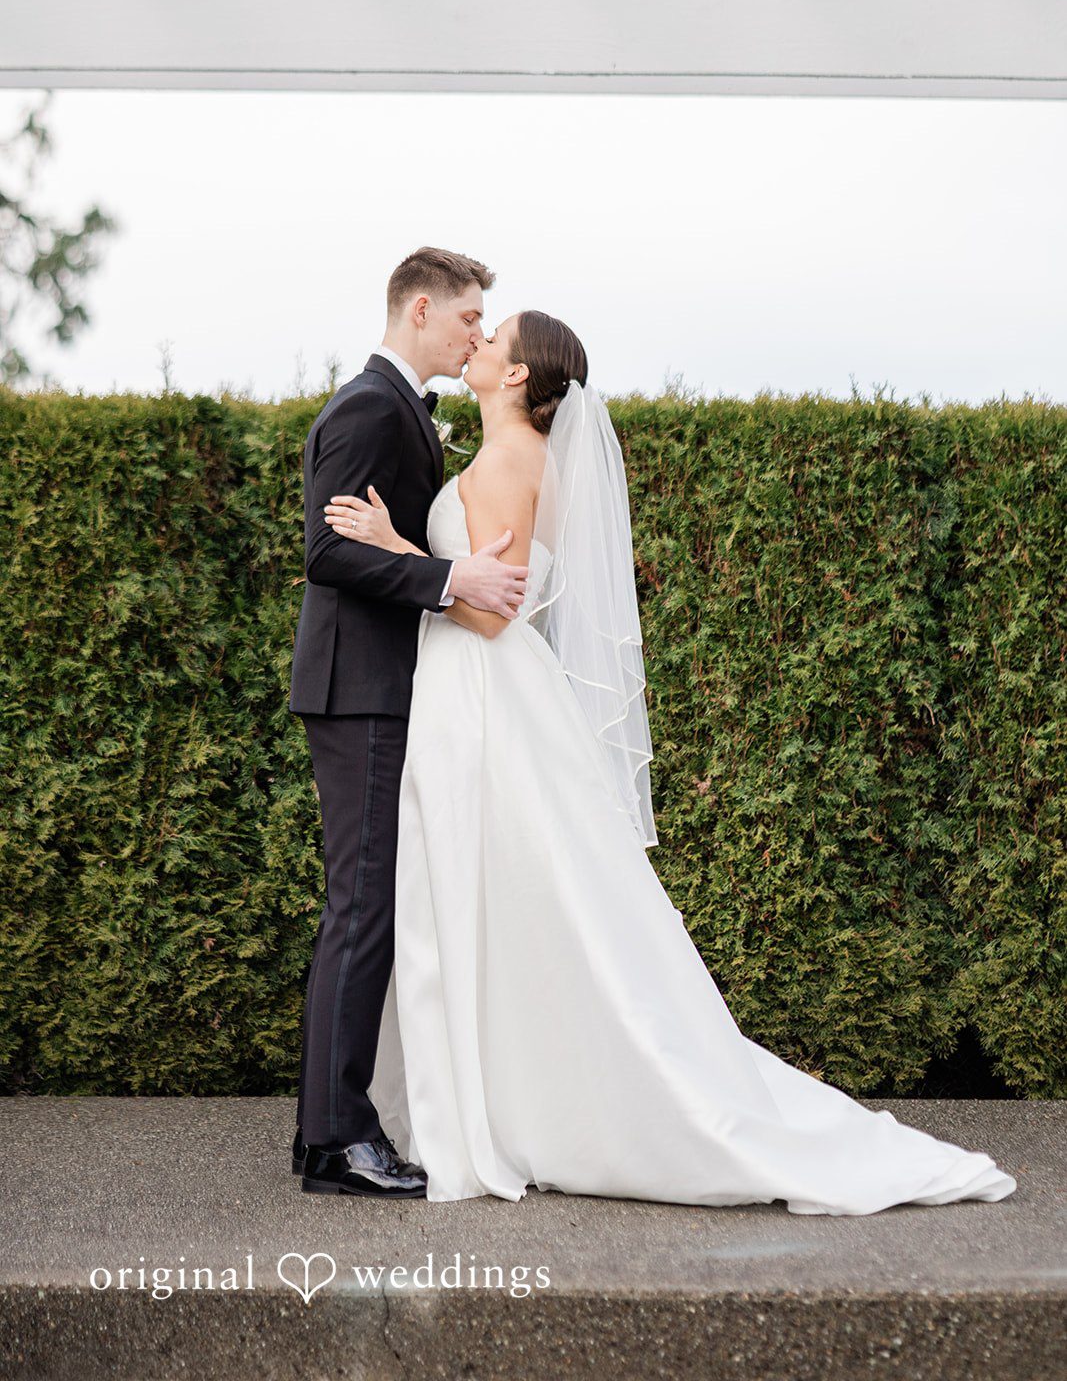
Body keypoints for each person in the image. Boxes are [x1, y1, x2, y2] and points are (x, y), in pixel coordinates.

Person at [319, 308, 1018, 1215]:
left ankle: (515, 1100)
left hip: (483, 695)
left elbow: (489, 613)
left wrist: (397, 550)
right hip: (484, 694)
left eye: (495, 341)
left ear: (520, 376)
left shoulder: (506, 462)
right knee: (513, 899)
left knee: (484, 893)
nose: (479, 343)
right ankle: (513, 1091)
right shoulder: (512, 458)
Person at [288, 246, 530, 1200]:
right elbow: (324, 550)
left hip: (378, 686)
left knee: (363, 907)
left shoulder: (399, 412)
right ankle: (338, 1141)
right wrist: (446, 580)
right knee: (362, 908)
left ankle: (324, 1132)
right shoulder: (368, 408)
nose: (477, 334)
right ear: (421, 309)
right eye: (469, 318)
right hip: (362, 688)